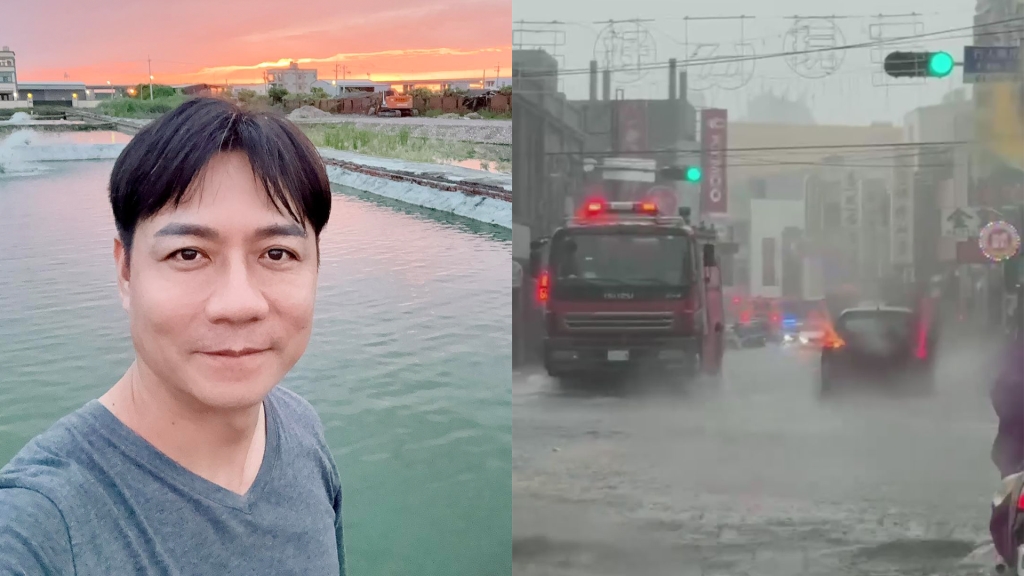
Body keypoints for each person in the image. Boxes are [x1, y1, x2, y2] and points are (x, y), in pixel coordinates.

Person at [0, 97, 345, 575]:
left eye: (278, 253)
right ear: (125, 270)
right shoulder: (44, 521)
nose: (238, 304)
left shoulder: (301, 430)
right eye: (188, 254)